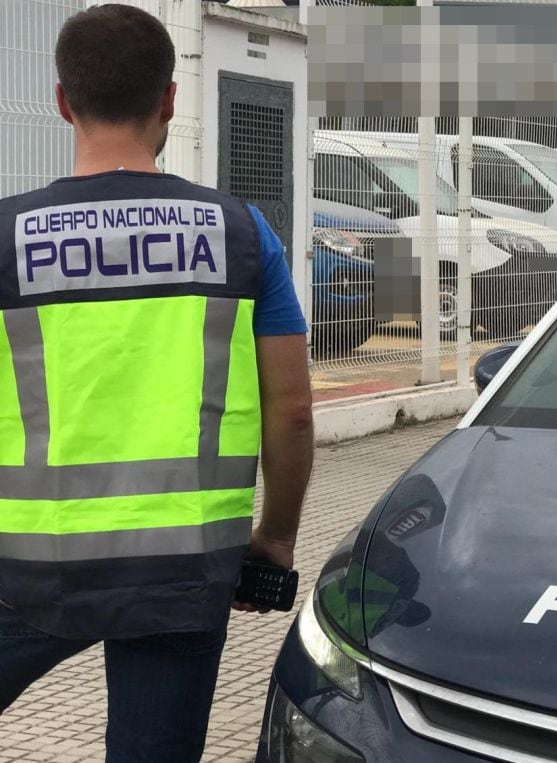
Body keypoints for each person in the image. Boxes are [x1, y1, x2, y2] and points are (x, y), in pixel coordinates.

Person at [0, 4, 314, 761]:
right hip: (186, 568)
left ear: (63, 101)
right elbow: (294, 410)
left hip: (27, 568)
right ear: (170, 99)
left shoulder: (6, 238)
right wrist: (273, 538)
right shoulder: (243, 234)